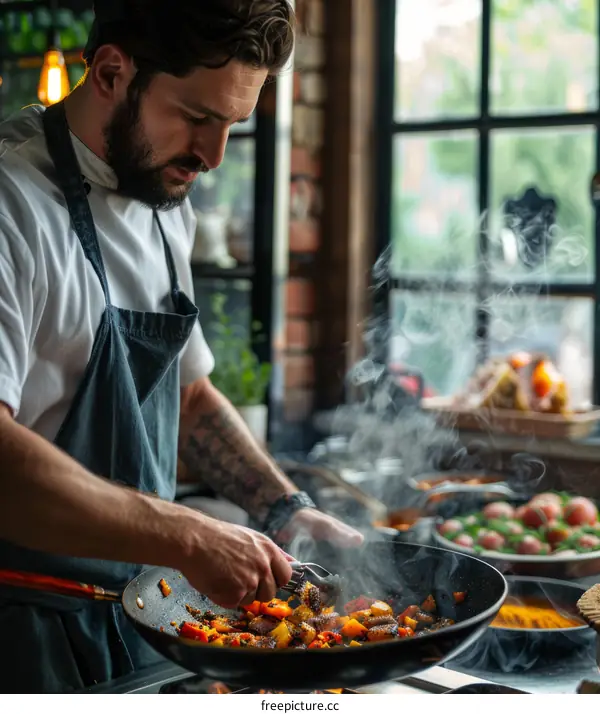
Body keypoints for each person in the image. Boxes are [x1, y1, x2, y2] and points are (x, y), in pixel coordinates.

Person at [0, 0, 363, 693]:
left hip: (144, 620)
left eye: (231, 126)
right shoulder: (12, 204)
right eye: (198, 119)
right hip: (21, 631)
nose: (214, 155)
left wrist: (285, 510)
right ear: (111, 71)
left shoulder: (168, 202)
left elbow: (189, 397)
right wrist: (190, 536)